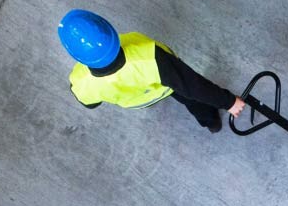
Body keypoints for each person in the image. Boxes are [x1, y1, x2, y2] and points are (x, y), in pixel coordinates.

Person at [58, 9, 246, 133]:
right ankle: (211, 121)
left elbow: (90, 104)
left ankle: (211, 123)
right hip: (165, 86)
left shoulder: (80, 82)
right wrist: (228, 102)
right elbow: (193, 85)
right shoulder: (150, 59)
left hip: (139, 99)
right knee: (191, 98)